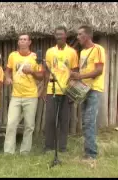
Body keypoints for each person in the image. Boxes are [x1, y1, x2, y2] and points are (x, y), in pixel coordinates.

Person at [71, 25, 106, 165]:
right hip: (83, 89)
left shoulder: (98, 49)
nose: (77, 37)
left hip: (94, 89)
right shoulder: (83, 52)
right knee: (85, 121)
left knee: (89, 121)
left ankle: (91, 154)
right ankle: (88, 151)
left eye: (80, 34)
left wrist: (79, 75)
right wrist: (76, 77)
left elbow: (99, 70)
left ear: (87, 36)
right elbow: (83, 71)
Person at [4, 34, 44, 155]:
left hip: (31, 95)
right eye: (20, 39)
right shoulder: (12, 56)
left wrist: (32, 71)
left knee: (29, 125)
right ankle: (8, 151)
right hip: (16, 95)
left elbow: (41, 76)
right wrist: (7, 78)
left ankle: (25, 151)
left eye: (25, 39)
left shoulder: (35, 57)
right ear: (18, 42)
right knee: (11, 123)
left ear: (29, 42)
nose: (22, 41)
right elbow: (8, 70)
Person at [43, 26, 79, 153]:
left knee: (64, 120)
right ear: (55, 35)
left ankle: (62, 147)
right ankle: (49, 146)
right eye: (57, 34)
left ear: (66, 35)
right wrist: (44, 90)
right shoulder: (49, 52)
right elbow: (46, 72)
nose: (59, 36)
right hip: (51, 90)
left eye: (61, 34)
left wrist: (71, 92)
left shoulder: (72, 52)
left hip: (66, 91)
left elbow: (75, 72)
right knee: (50, 119)